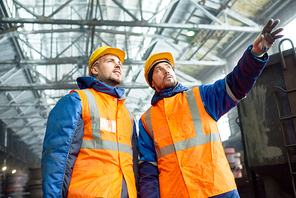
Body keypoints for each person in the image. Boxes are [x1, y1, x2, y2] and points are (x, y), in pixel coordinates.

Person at [137, 19, 283, 197]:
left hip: (217, 189)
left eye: (168, 66)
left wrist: (255, 54)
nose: (166, 70)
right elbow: (148, 168)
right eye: (158, 69)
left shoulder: (201, 96)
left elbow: (236, 83)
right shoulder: (146, 120)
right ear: (152, 82)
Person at [42, 46, 138, 197]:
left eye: (119, 62)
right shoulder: (77, 101)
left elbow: (134, 165)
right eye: (110, 61)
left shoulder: (128, 115)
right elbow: (56, 157)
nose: (118, 65)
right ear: (95, 69)